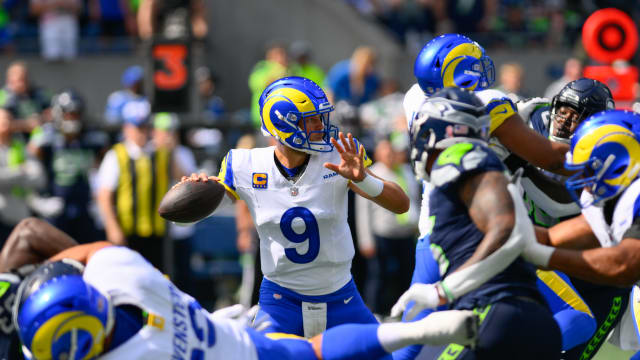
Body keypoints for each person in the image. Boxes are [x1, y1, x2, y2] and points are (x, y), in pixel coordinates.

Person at [177, 76, 410, 339]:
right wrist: (196, 190)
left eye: (320, 118)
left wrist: (363, 179)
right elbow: (185, 216)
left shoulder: (339, 156)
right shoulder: (246, 164)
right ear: (284, 123)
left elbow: (401, 204)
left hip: (341, 297)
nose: (321, 127)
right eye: (311, 119)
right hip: (281, 303)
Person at [14, 241, 478, 360]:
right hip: (234, 341)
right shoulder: (122, 276)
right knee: (317, 352)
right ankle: (417, 330)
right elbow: (90, 253)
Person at [392, 87, 562, 359]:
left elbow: (506, 230)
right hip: (533, 318)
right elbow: (526, 241)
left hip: (493, 314)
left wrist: (444, 290)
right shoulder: (489, 170)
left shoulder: (458, 157)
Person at [522, 110, 640, 355]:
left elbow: (624, 265)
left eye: (588, 169)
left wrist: (545, 256)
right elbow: (553, 237)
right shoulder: (614, 198)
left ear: (618, 163)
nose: (581, 179)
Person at [95, 99, 172, 271]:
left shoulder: (160, 153)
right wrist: (112, 226)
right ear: (126, 128)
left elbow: (179, 175)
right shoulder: (117, 155)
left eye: (145, 127)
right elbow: (104, 195)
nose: (142, 133)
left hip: (156, 232)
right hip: (128, 232)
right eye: (137, 127)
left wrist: (170, 146)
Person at [27, 89, 108, 243]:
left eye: (76, 113)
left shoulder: (93, 138)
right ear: (58, 113)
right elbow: (31, 167)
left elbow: (104, 167)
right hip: (56, 203)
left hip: (84, 205)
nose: (72, 118)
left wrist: (98, 199)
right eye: (68, 113)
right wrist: (37, 199)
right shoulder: (46, 137)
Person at [355, 138, 420, 315]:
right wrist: (366, 240)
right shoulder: (371, 173)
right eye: (386, 152)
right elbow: (363, 211)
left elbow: (415, 201)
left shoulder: (406, 171)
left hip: (406, 233)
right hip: (383, 234)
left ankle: (407, 312)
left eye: (392, 151)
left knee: (408, 275)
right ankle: (375, 313)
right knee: (378, 277)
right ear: (378, 154)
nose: (390, 155)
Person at [0, 109, 46, 242]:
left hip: (19, 214)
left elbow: (39, 178)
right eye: (2, 119)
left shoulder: (20, 147)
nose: (6, 122)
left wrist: (9, 177)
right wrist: (20, 171)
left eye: (8, 119)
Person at [0, 61, 52, 135]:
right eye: (19, 80)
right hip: (13, 142)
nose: (22, 84)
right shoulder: (3, 96)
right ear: (9, 81)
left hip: (37, 139)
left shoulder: (38, 94)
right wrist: (26, 124)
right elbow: (3, 125)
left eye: (25, 79)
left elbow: (50, 114)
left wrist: (41, 119)